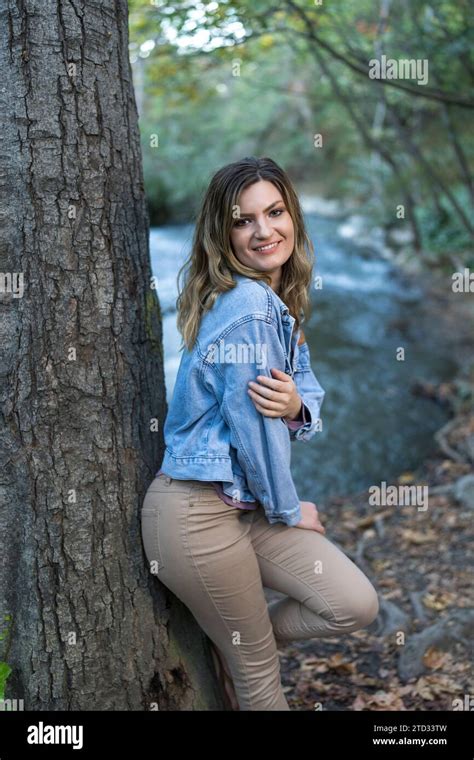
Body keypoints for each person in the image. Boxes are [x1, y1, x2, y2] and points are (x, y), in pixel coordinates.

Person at [141, 156, 379, 711]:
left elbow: (304, 395)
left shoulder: (278, 305)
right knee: (260, 683)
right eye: (243, 220)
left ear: (292, 215)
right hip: (196, 515)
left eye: (274, 212)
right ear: (223, 235)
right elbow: (255, 434)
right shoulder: (249, 306)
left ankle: (237, 642)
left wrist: (298, 406)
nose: (264, 230)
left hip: (243, 507)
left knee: (353, 604)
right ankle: (242, 648)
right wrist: (290, 508)